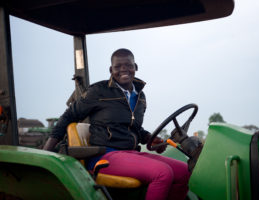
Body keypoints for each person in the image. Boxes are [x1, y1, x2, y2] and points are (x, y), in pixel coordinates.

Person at [43, 48, 190, 200]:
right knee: (162, 173)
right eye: (118, 67)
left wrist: (151, 139)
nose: (123, 69)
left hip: (130, 154)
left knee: (183, 171)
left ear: (135, 67)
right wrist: (46, 153)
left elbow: (134, 129)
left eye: (128, 65)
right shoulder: (99, 91)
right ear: (111, 70)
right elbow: (68, 117)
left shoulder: (140, 97)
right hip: (104, 155)